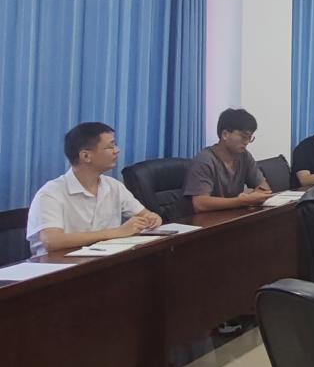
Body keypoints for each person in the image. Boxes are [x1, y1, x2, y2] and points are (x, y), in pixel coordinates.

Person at [26, 122, 162, 256]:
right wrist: (117, 232)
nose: (117, 150)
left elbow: (146, 215)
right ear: (86, 156)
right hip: (59, 266)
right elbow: (52, 241)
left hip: (103, 261)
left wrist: (153, 219)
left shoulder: (114, 186)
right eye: (110, 146)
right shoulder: (51, 193)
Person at [184, 108, 272, 213]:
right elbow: (200, 204)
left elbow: (264, 188)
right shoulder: (204, 160)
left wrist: (252, 196)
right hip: (207, 220)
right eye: (244, 137)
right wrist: (242, 201)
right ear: (225, 134)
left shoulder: (244, 156)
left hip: (233, 216)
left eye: (250, 138)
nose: (247, 142)